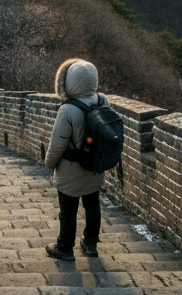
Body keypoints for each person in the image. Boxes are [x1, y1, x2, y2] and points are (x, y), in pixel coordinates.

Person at [44, 58, 103, 260]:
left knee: (68, 211)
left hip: (71, 170)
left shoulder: (68, 109)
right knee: (92, 205)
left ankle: (65, 247)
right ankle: (90, 243)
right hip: (95, 167)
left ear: (69, 81)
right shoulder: (102, 101)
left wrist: (49, 164)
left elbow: (57, 144)